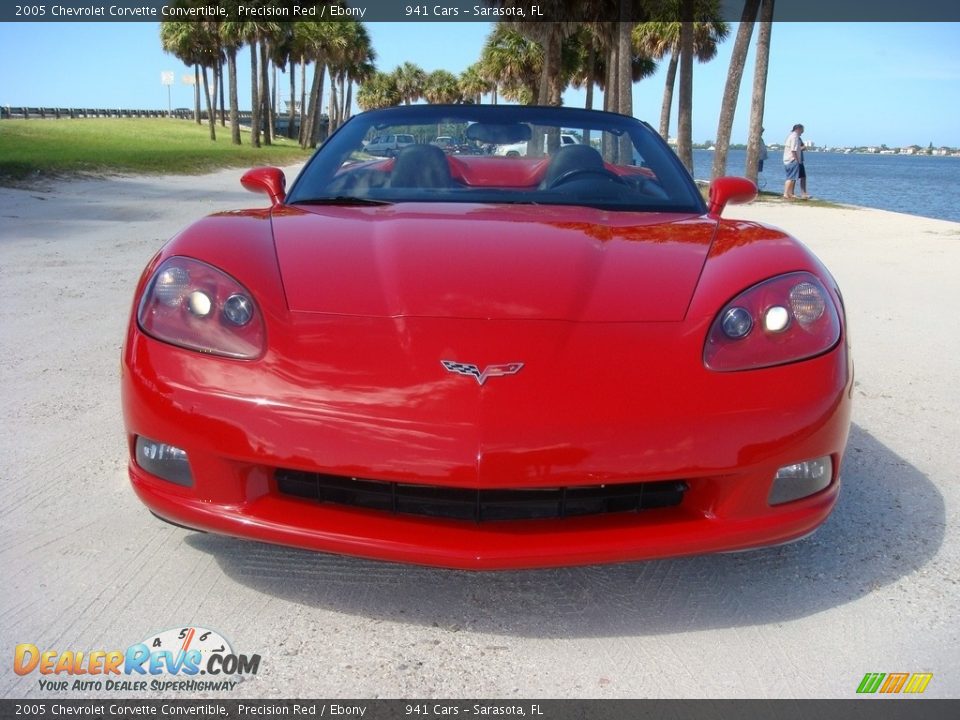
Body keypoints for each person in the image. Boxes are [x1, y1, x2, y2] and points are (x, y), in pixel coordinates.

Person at [782, 123, 804, 199]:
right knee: (790, 178)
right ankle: (785, 193)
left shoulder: (792, 136)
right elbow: (793, 150)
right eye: (802, 130)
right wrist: (797, 160)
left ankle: (789, 193)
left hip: (789, 159)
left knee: (792, 178)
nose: (803, 132)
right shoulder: (794, 137)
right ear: (798, 129)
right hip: (792, 160)